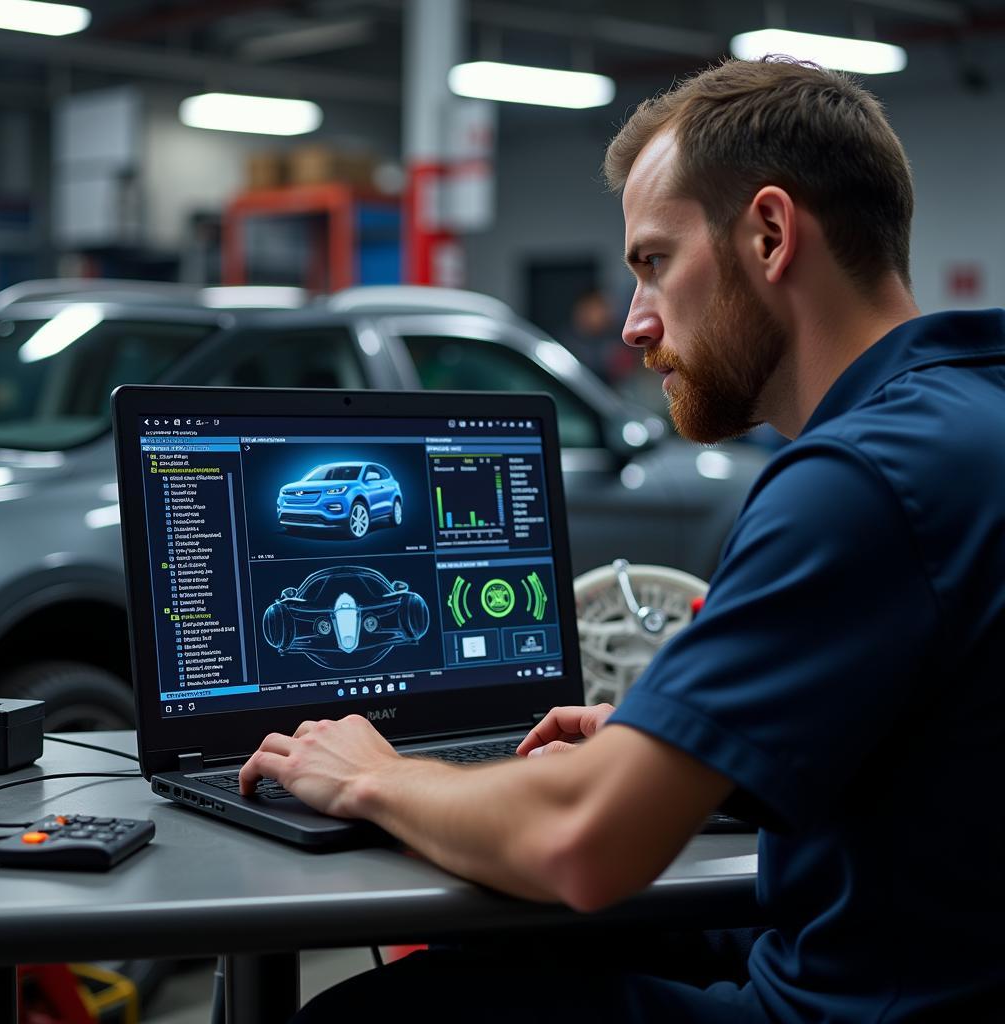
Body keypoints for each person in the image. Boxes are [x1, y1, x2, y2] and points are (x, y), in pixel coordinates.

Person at [241, 57, 1005, 1022]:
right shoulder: (976, 409)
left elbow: (582, 843)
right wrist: (692, 748)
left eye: (653, 262)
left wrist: (376, 778)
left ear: (770, 234)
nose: (637, 324)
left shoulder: (856, 482)